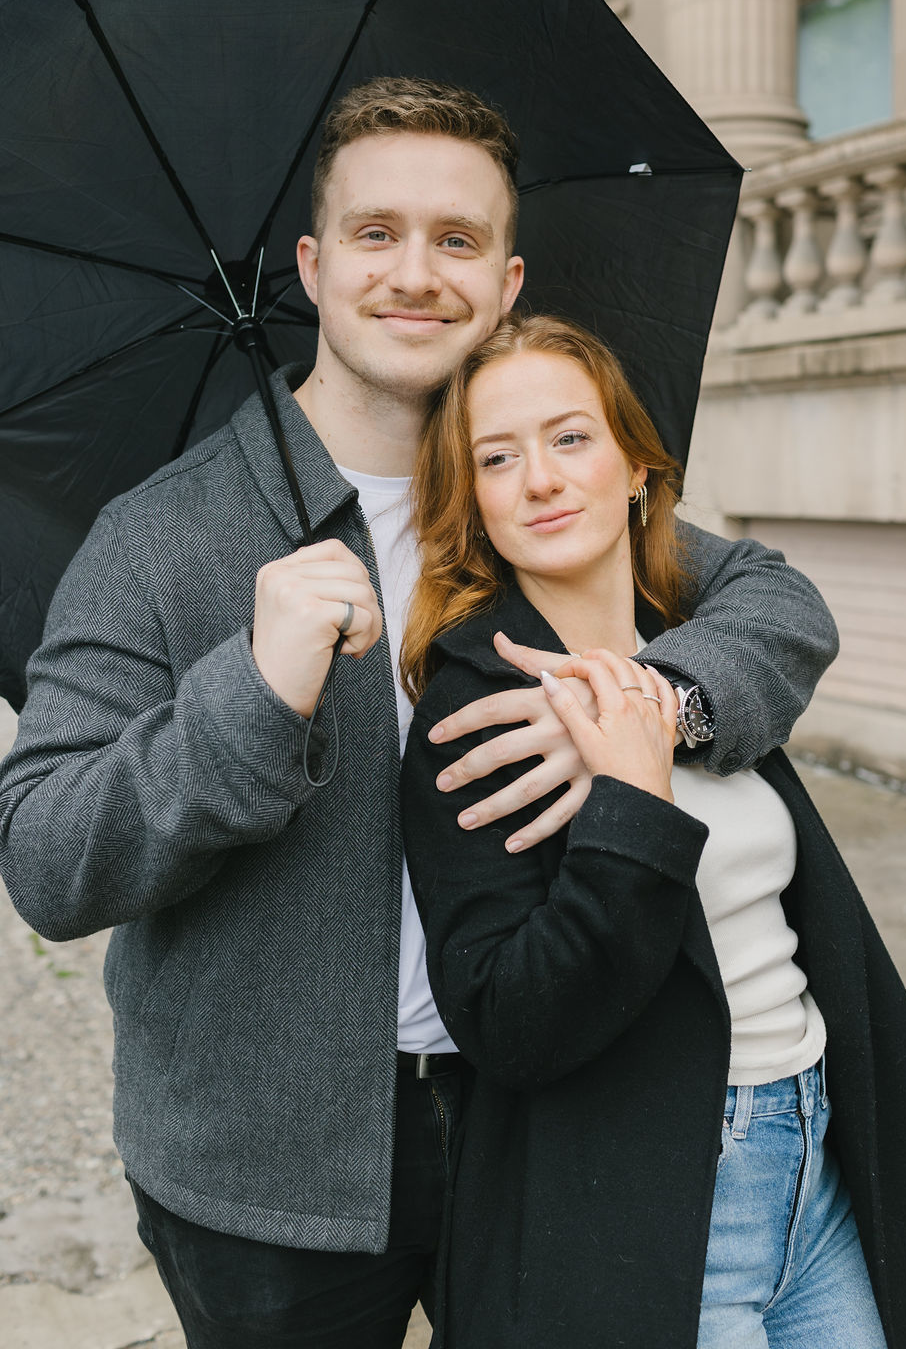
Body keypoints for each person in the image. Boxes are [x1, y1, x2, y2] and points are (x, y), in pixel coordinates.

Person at [0, 80, 841, 1349]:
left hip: (542, 1118)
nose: (415, 273)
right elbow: (51, 859)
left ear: (506, 282)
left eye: (455, 241)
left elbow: (774, 605)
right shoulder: (161, 535)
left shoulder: (525, 498)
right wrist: (247, 694)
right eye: (376, 233)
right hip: (261, 1176)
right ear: (313, 263)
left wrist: (646, 707)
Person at [400, 313, 906, 1349]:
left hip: (819, 1164)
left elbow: (793, 608)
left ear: (637, 468)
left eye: (570, 438)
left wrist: (660, 717)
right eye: (496, 459)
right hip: (663, 1203)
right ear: (476, 508)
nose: (539, 479)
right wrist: (628, 813)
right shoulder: (480, 714)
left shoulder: (691, 649)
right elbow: (506, 1022)